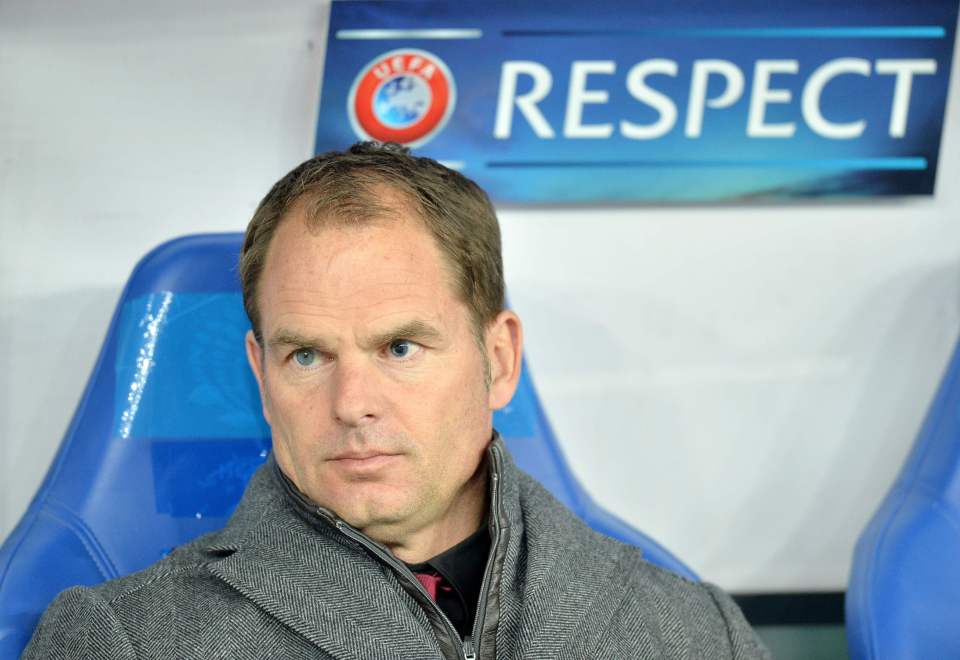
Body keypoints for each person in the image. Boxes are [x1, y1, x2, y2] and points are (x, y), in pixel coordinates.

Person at [23, 142, 769, 659]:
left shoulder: (696, 631)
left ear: (498, 359)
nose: (352, 403)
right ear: (261, 374)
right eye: (307, 355)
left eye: (399, 348)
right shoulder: (128, 642)